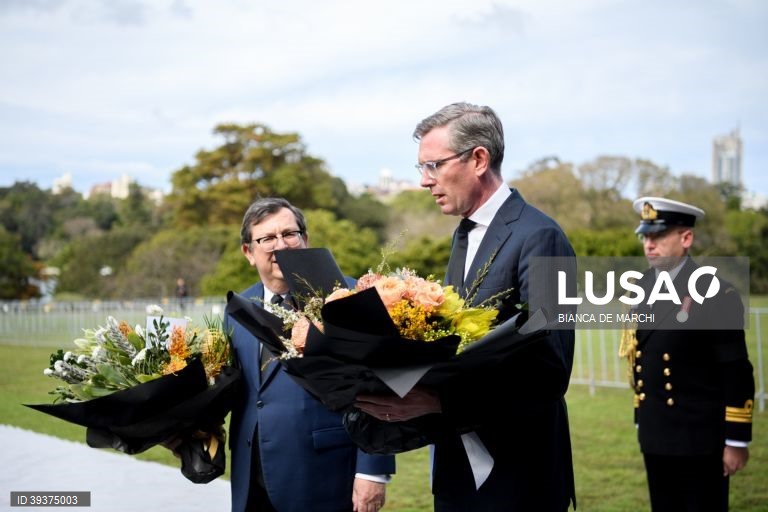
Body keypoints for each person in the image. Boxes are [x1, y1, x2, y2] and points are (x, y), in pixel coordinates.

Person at [356, 102, 577, 511]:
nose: (425, 181)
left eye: (434, 166)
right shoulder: (464, 235)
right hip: (457, 473)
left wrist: (441, 402)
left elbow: (551, 370)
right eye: (421, 168)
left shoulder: (543, 237)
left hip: (518, 477)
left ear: (478, 159)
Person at [225, 197, 395, 512]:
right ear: (249, 252)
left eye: (290, 234)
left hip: (326, 475)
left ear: (306, 240)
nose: (282, 245)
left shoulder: (350, 296)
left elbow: (383, 382)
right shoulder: (238, 307)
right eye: (267, 238)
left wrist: (373, 470)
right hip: (252, 478)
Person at [624, 196, 755, 511]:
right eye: (645, 235)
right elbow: (641, 358)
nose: (649, 244)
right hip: (656, 433)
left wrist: (736, 440)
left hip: (699, 438)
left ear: (686, 238)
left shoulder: (715, 292)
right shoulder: (640, 286)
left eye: (658, 236)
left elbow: (735, 370)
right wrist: (642, 417)